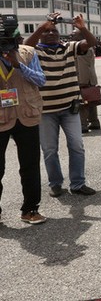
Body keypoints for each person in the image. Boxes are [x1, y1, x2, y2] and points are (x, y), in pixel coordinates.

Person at [24, 13, 97, 197]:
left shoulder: (69, 47)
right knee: (49, 150)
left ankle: (78, 183)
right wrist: (42, 26)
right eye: (46, 31)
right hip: (45, 111)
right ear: (40, 35)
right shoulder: (35, 52)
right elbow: (24, 46)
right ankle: (56, 183)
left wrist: (82, 27)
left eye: (54, 31)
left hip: (69, 108)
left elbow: (91, 42)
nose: (51, 34)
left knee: (77, 146)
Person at [0, 17, 47, 224]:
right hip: (1, 118)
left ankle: (30, 209)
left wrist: (18, 65)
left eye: (11, 38)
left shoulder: (28, 53)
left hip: (27, 115)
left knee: (30, 166)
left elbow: (41, 80)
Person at [70, 28, 100, 133]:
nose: (71, 35)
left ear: (81, 37)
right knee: (91, 101)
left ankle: (83, 125)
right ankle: (94, 122)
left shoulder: (83, 48)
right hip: (89, 78)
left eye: (74, 34)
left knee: (83, 104)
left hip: (83, 79)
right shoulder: (87, 47)